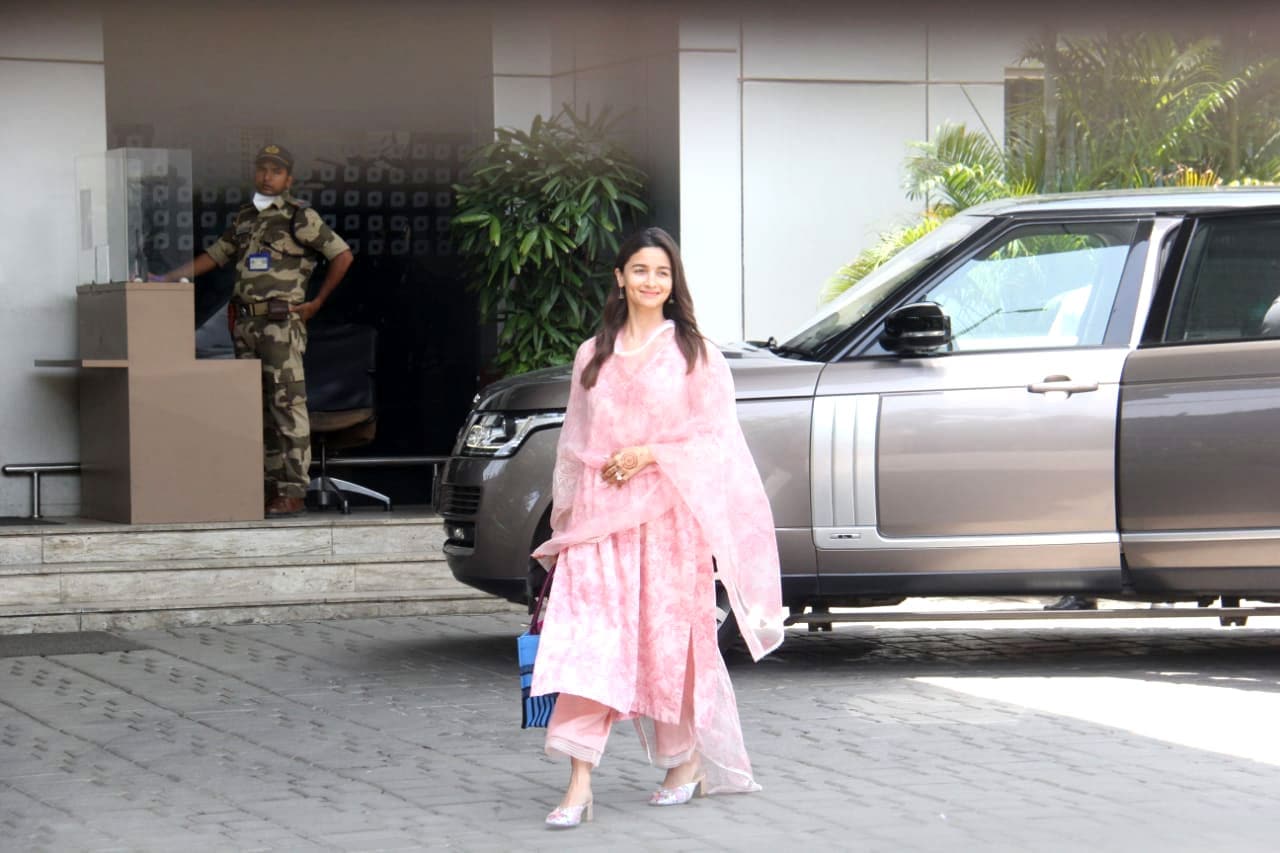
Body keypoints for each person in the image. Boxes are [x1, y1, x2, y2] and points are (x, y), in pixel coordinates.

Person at [528, 227, 786, 829]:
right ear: (619, 277)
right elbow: (574, 443)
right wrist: (567, 522)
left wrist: (647, 454)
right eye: (640, 270)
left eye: (662, 273)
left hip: (668, 520)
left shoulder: (695, 356)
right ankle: (578, 782)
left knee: (666, 644)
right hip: (598, 520)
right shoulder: (592, 354)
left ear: (674, 283)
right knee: (587, 641)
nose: (651, 282)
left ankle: (684, 762)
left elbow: (717, 444)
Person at [159, 144, 353, 517]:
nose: (268, 176)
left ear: (288, 178)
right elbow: (216, 255)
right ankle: (267, 488)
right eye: (263, 169)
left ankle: (293, 490)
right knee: (256, 410)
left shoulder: (300, 217)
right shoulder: (246, 218)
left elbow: (342, 255)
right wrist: (169, 277)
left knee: (286, 405)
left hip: (281, 324)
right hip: (246, 324)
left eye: (276, 171)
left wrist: (316, 303)